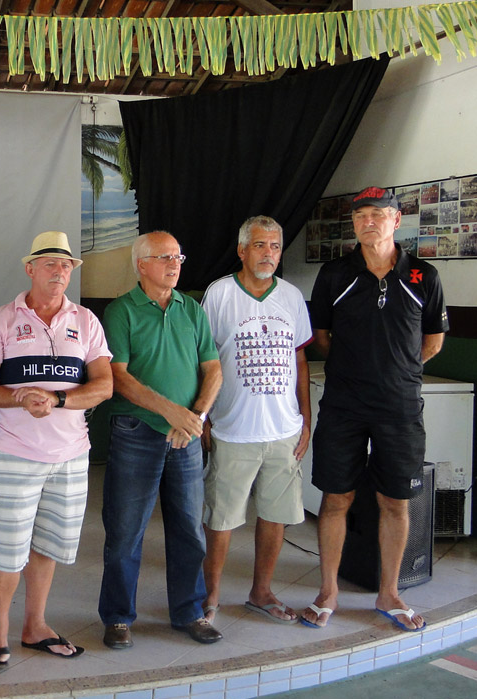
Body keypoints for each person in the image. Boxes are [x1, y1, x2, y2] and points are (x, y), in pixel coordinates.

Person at [302, 186, 447, 631]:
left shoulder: (423, 275)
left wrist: (397, 373)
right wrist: (358, 372)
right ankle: (328, 592)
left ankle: (389, 593)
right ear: (354, 223)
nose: (368, 221)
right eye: (361, 215)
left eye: (378, 214)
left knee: (395, 501)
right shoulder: (334, 274)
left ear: (395, 220)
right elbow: (321, 336)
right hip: (344, 405)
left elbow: (433, 341)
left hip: (399, 409)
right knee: (336, 497)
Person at [0, 231, 113, 668]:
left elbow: (104, 385)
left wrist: (58, 399)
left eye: (66, 264)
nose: (59, 271)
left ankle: (34, 626)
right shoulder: (1, 320)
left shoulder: (86, 321)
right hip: (16, 451)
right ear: (30, 268)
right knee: (7, 548)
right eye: (50, 263)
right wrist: (20, 398)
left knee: (48, 545)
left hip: (71, 454)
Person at [98, 231, 223, 648]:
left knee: (189, 530)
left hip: (186, 436)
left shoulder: (192, 309)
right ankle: (118, 617)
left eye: (178, 257)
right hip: (136, 432)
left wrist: (195, 417)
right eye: (164, 257)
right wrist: (171, 411)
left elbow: (213, 369)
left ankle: (189, 611)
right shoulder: (120, 311)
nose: (174, 264)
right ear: (141, 265)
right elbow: (118, 377)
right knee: (125, 531)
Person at [200, 216, 313, 625]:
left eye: (275, 246)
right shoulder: (220, 294)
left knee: (276, 515)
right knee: (221, 519)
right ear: (242, 250)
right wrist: (203, 415)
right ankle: (209, 596)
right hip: (232, 429)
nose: (269, 254)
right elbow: (203, 359)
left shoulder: (292, 297)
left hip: (283, 431)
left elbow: (300, 360)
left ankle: (261, 592)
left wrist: (306, 419)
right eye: (260, 245)